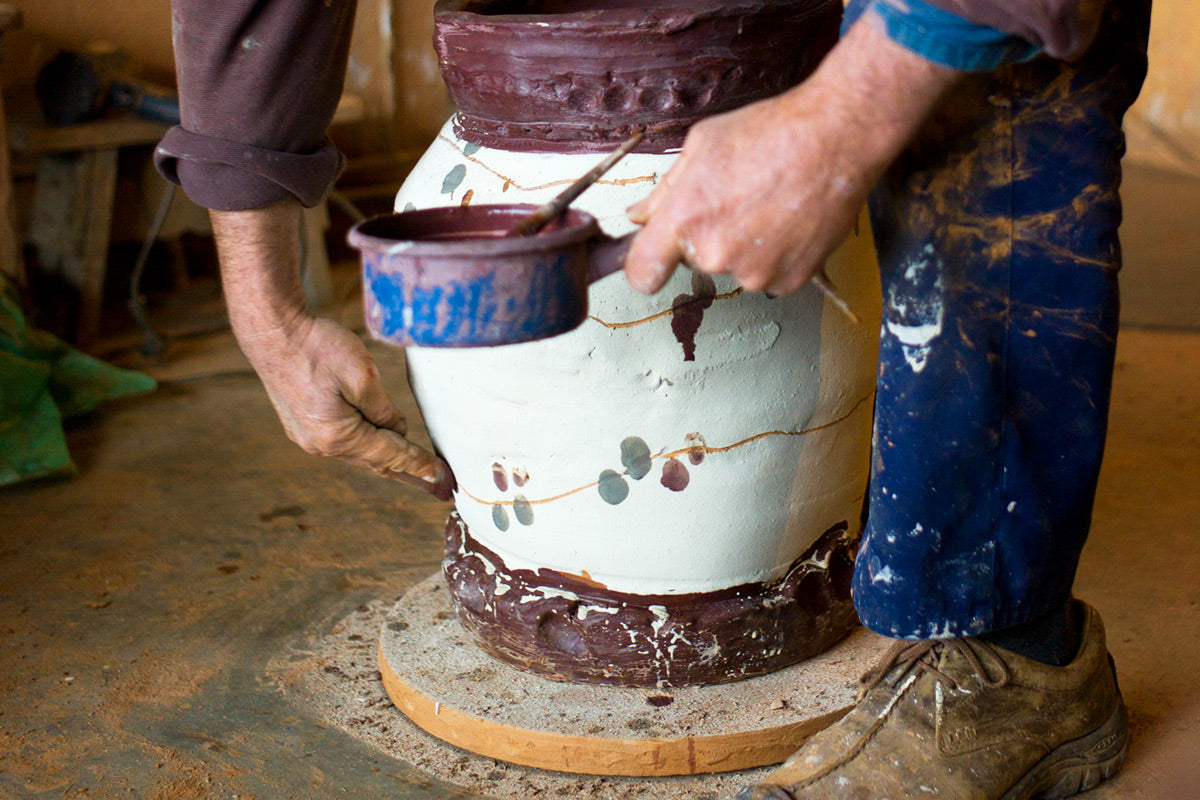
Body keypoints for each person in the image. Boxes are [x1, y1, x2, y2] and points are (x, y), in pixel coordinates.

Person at [155, 0, 1150, 797]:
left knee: (997, 71)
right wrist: (265, 300)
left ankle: (1007, 652)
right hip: (532, 92)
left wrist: (844, 112)